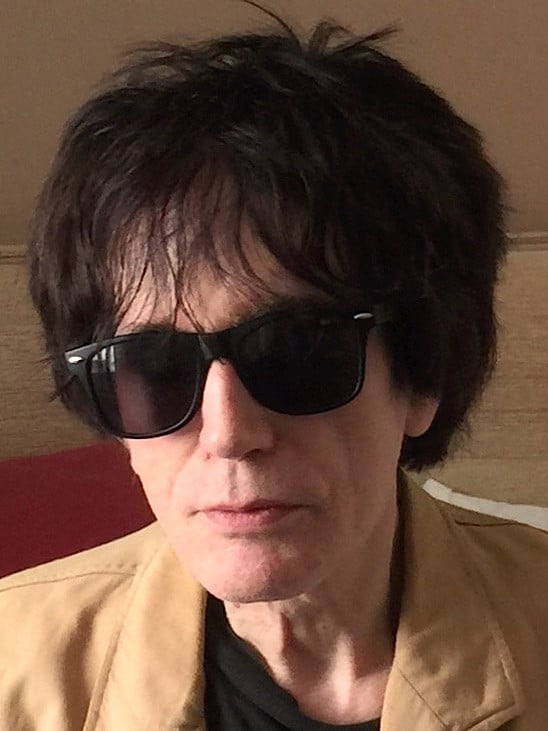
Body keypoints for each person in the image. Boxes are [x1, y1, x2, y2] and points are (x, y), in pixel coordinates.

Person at [1, 11, 547, 731]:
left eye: (296, 353)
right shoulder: (15, 664)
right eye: (155, 369)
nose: (228, 433)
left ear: (422, 375)